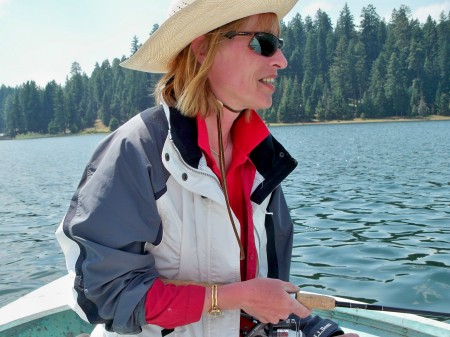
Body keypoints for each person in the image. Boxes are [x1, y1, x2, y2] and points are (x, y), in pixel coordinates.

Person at [56, 1, 359, 336]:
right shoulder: (136, 150)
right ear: (203, 49)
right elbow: (104, 296)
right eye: (263, 43)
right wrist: (232, 297)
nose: (281, 61)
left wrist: (319, 328)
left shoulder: (262, 159)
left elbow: (262, 294)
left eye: (279, 46)